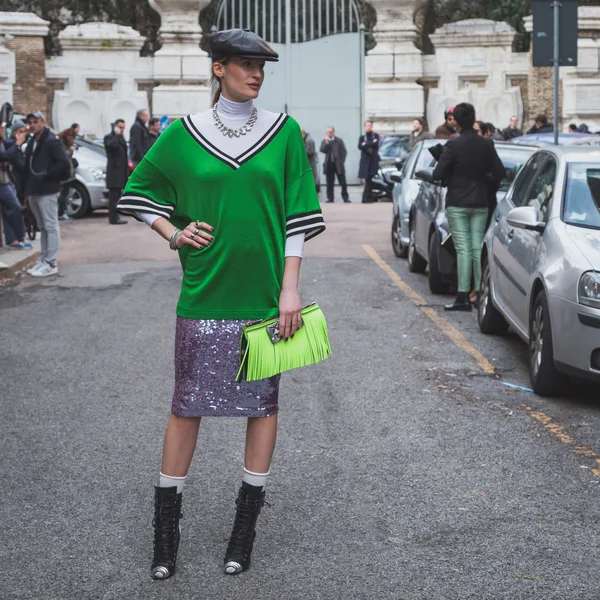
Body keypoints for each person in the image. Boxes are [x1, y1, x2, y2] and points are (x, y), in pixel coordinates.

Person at [116, 28, 325, 581]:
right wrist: (172, 231)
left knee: (263, 406)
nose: (256, 73)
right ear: (218, 69)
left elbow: (296, 220)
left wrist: (290, 288)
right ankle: (166, 533)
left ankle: (244, 529)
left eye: (262, 66)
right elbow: (137, 192)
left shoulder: (284, 134)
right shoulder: (184, 133)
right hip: (204, 291)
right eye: (244, 64)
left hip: (264, 296)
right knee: (187, 406)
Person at [432, 102, 504, 311]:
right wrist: (482, 180)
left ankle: (463, 296)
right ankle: (482, 294)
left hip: (457, 201)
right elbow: (499, 172)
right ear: (473, 119)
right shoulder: (486, 144)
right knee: (476, 247)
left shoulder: (453, 146)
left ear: (458, 122)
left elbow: (438, 174)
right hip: (480, 201)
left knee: (463, 248)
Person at [21, 110, 70, 277]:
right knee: (42, 227)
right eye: (31, 123)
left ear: (43, 122)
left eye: (36, 122)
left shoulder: (51, 141)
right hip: (34, 190)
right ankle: (44, 258)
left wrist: (47, 174)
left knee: (50, 225)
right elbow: (27, 167)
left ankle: (51, 261)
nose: (33, 125)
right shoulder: (33, 141)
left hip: (47, 189)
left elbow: (63, 164)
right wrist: (26, 191)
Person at [0, 122, 31, 250]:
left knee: (7, 211)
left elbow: (10, 144)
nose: (2, 129)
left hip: (5, 180)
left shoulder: (2, 141)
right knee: (15, 207)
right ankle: (19, 237)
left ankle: (12, 240)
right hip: (2, 182)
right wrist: (18, 143)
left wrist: (23, 136)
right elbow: (4, 156)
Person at [104, 119, 129, 225]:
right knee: (113, 196)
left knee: (118, 195)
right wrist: (117, 135)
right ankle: (113, 218)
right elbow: (112, 146)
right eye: (120, 127)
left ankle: (116, 216)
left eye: (123, 127)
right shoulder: (110, 138)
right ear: (115, 127)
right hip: (114, 172)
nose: (122, 129)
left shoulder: (120, 138)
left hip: (121, 172)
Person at [56, 122, 80, 222]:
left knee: (64, 194)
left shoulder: (61, 143)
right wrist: (71, 150)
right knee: (63, 194)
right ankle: (61, 214)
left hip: (65, 173)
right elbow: (64, 156)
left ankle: (62, 212)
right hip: (64, 173)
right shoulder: (62, 144)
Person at [320, 126, 349, 202]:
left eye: (330, 132)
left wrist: (341, 161)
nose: (329, 133)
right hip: (329, 164)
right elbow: (322, 150)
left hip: (338, 164)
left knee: (343, 182)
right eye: (328, 132)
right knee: (329, 183)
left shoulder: (339, 141)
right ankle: (330, 198)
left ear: (333, 132)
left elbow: (344, 152)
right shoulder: (325, 141)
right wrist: (326, 143)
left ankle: (345, 198)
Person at [358, 120, 381, 204]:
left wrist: (366, 144)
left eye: (370, 125)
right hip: (365, 163)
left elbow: (376, 144)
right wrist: (370, 143)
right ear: (364, 127)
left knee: (370, 180)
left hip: (373, 162)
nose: (369, 127)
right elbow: (360, 146)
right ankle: (366, 198)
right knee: (367, 180)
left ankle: (367, 198)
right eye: (367, 125)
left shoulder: (376, 135)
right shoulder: (362, 137)